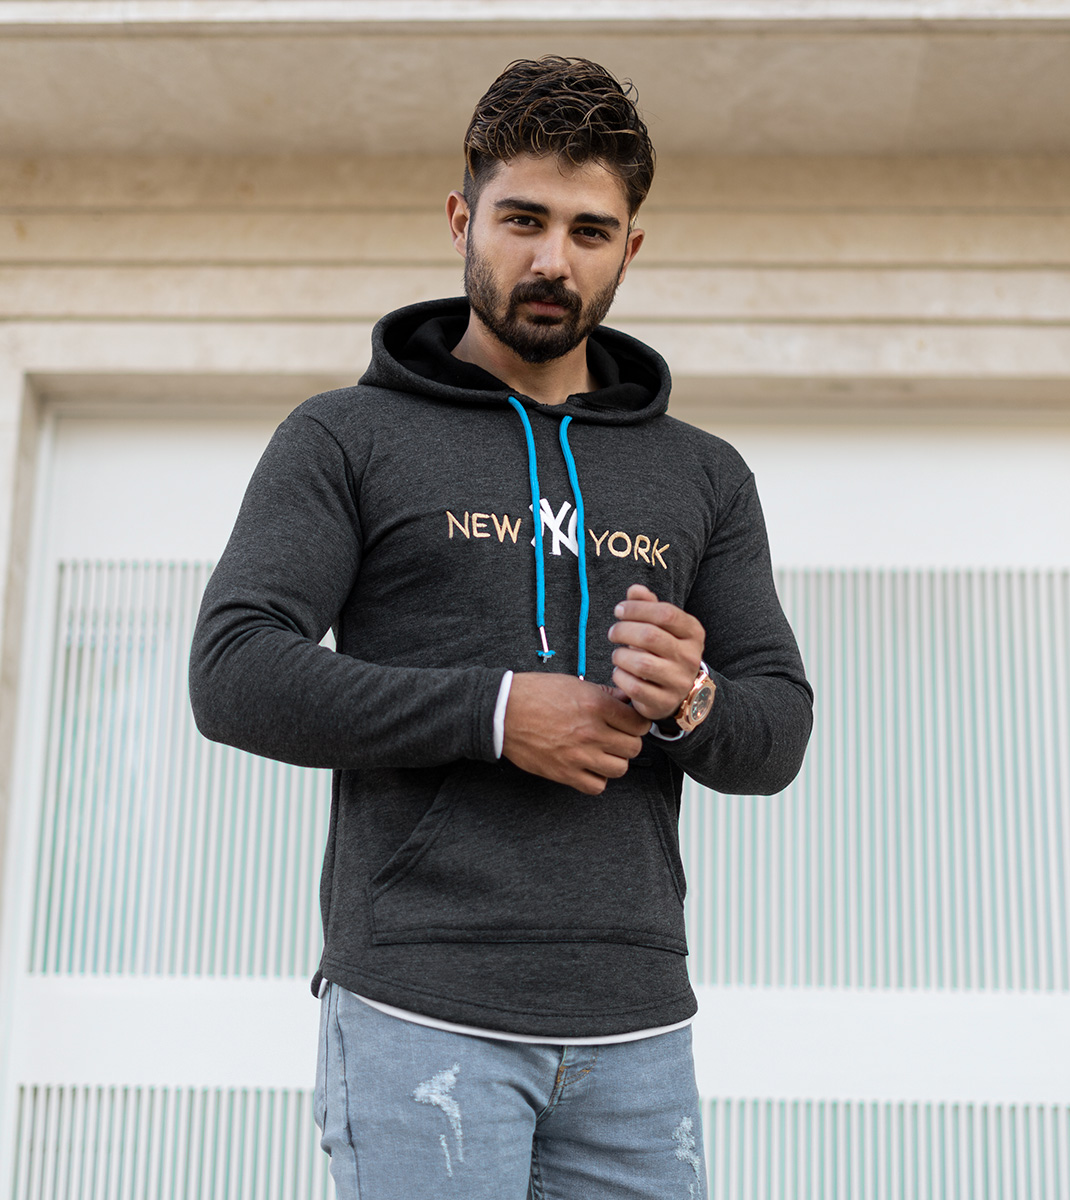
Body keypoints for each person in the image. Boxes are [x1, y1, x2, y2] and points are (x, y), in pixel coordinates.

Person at [190, 55, 812, 1200]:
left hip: (639, 1029)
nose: (551, 259)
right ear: (460, 218)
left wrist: (693, 699)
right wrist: (495, 713)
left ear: (629, 249)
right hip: (419, 1011)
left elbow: (777, 732)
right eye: (523, 219)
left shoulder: (703, 475)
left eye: (589, 231)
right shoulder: (345, 438)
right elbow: (234, 670)